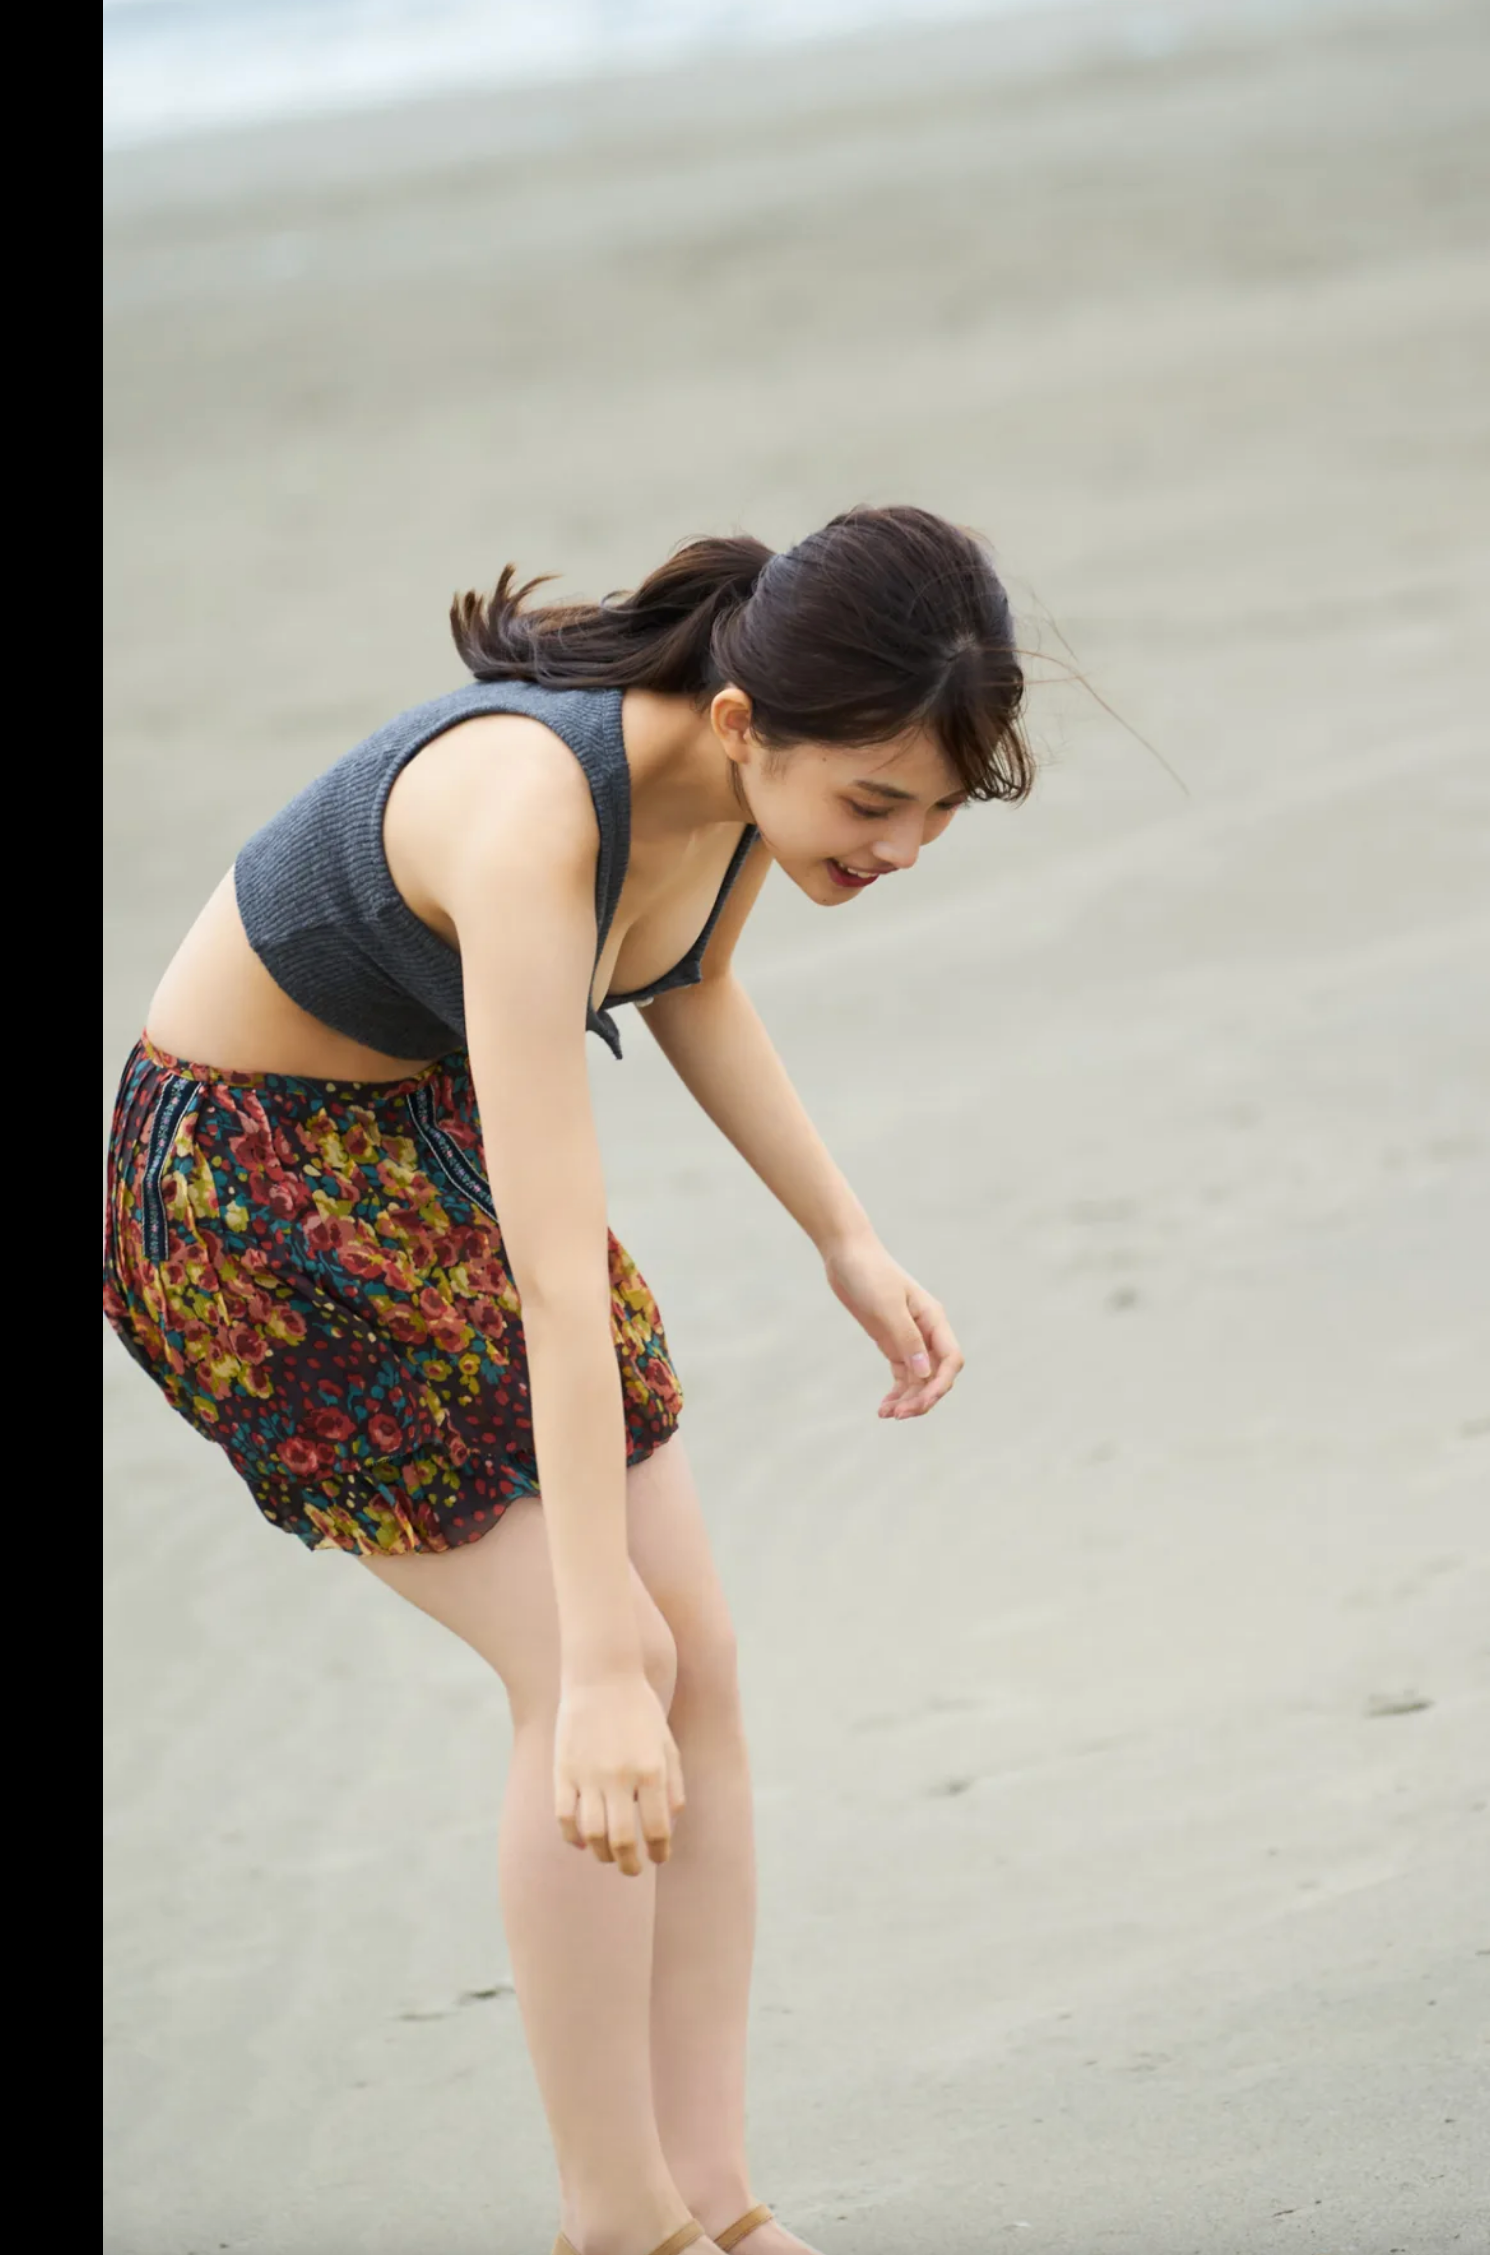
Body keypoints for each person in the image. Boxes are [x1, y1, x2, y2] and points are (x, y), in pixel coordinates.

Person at [102, 505, 1032, 2255]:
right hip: (245, 1194)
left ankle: (720, 2205)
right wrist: (595, 1655)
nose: (903, 847)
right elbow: (549, 1282)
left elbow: (693, 975)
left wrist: (843, 1235)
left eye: (935, 811)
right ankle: (622, 2224)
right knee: (603, 1672)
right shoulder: (534, 813)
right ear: (749, 725)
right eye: (876, 803)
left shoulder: (745, 784)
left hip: (417, 1137)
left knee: (701, 1669)